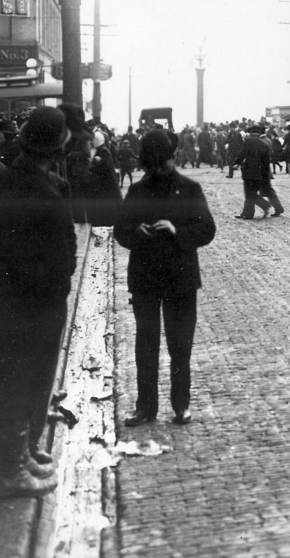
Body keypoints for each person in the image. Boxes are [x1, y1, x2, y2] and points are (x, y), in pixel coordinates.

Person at [0, 106, 78, 498]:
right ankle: (11, 472)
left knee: (1, 377)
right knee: (22, 386)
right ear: (59, 146)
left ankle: (17, 458)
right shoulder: (49, 192)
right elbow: (63, 259)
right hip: (36, 308)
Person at [113, 129, 216, 427]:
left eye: (163, 163)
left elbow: (207, 230)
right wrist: (137, 233)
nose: (158, 169)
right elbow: (121, 231)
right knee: (146, 344)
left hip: (180, 278)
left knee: (180, 345)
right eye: (153, 165)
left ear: (173, 158)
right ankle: (145, 407)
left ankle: (180, 405)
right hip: (145, 278)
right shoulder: (136, 192)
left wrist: (176, 231)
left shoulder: (190, 189)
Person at [232, 124, 283, 218]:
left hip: (249, 172)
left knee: (249, 193)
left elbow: (243, 153)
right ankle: (247, 213)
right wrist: (265, 173)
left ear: (251, 133)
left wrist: (236, 162)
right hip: (261, 173)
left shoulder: (249, 141)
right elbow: (266, 161)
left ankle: (256, 209)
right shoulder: (264, 143)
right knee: (255, 192)